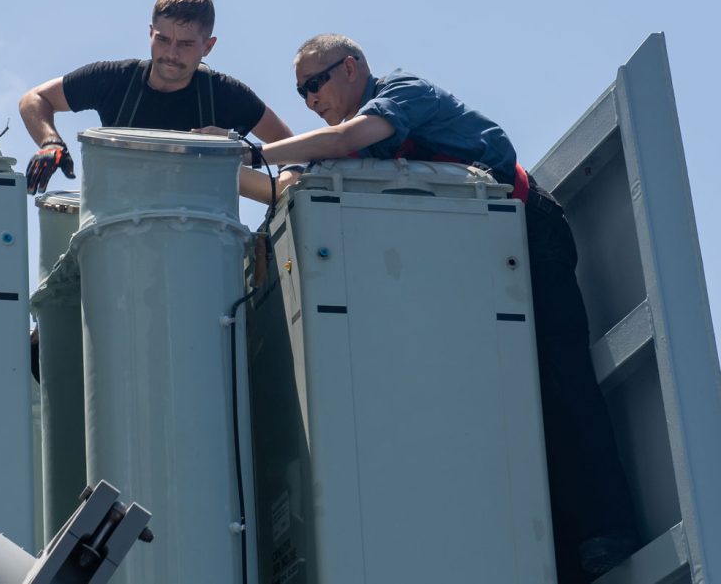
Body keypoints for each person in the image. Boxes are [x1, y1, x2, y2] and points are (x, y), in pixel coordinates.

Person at [253, 34, 639, 583]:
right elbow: (291, 186)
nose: (311, 98)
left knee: (560, 381)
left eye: (317, 82)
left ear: (354, 66)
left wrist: (256, 151)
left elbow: (345, 141)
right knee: (501, 399)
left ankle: (609, 526)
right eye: (301, 92)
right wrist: (207, 164)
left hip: (527, 231)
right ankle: (561, 552)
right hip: (470, 257)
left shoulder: (402, 96)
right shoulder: (353, 142)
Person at [19, 0, 292, 203]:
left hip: (202, 240)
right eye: (163, 39)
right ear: (150, 33)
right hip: (118, 230)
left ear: (208, 46)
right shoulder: (114, 79)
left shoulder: (226, 94)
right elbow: (34, 99)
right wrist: (50, 142)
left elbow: (294, 150)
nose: (171, 54)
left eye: (185, 44)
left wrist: (251, 162)